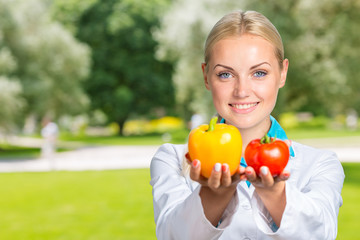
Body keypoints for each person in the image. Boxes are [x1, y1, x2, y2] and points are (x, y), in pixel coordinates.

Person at [150, 10, 344, 240]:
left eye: (259, 73)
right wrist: (213, 197)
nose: (242, 91)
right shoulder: (172, 160)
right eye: (225, 75)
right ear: (206, 76)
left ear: (282, 73)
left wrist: (276, 195)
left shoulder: (321, 164)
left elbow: (322, 234)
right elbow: (171, 235)